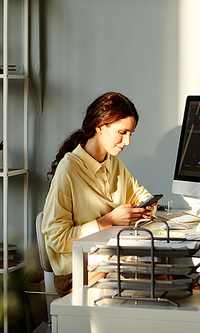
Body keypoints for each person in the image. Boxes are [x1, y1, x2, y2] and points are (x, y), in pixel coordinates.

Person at [42, 92, 156, 297]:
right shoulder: (69, 169)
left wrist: (145, 208)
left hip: (113, 258)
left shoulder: (112, 162)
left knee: (173, 277)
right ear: (100, 126)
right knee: (162, 283)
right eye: (122, 132)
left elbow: (141, 195)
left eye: (130, 134)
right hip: (76, 271)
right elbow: (57, 239)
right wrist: (108, 221)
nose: (127, 141)